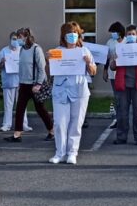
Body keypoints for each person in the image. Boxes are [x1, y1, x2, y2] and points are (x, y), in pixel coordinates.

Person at [49, 22, 97, 165]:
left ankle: (72, 152)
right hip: (60, 90)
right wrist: (48, 61)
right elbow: (49, 72)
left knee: (76, 123)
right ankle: (60, 153)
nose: (72, 36)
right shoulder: (57, 51)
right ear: (64, 36)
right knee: (60, 123)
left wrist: (88, 63)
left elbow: (93, 72)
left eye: (75, 33)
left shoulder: (84, 51)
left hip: (79, 90)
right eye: (69, 33)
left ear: (79, 35)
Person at [6, 28, 53, 143]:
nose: (18, 40)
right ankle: (17, 134)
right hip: (23, 84)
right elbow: (22, 67)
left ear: (26, 37)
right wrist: (20, 81)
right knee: (19, 108)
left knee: (40, 109)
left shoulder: (36, 49)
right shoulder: (22, 49)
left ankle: (52, 131)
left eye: (20, 37)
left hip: (35, 85)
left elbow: (42, 68)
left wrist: (38, 84)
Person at [110, 25, 137, 145]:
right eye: (129, 34)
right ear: (126, 36)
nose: (131, 36)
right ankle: (121, 137)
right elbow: (113, 67)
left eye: (133, 34)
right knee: (122, 113)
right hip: (122, 85)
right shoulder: (120, 49)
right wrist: (114, 60)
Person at [0, 31, 31, 133]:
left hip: (21, 82)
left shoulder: (23, 50)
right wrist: (2, 63)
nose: (15, 41)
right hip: (8, 82)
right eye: (13, 39)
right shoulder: (3, 51)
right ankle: (6, 124)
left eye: (17, 39)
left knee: (22, 105)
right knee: (8, 105)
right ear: (10, 39)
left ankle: (24, 124)